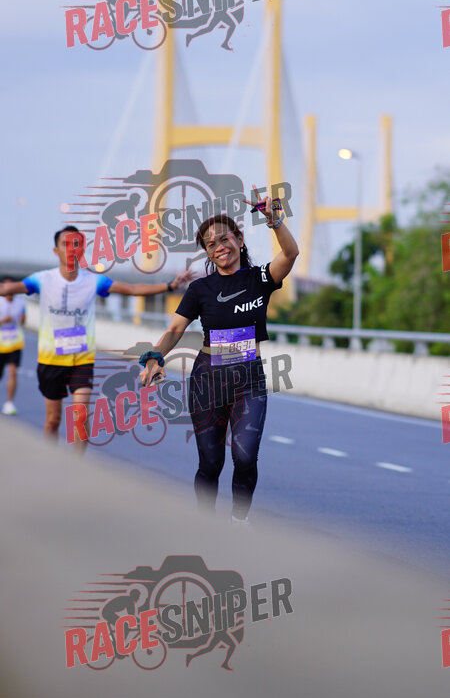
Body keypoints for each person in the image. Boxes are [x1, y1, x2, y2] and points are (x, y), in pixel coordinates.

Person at [139, 189, 299, 525]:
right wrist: (156, 357)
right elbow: (175, 329)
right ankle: (206, 527)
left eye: (224, 239)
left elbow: (290, 253)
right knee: (210, 463)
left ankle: (238, 523)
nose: (219, 247)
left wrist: (275, 222)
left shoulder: (260, 278)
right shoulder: (200, 289)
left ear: (239, 239)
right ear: (207, 253)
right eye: (210, 244)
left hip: (248, 380)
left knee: (245, 457)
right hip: (207, 381)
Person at [0, 226, 192, 452]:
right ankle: (50, 462)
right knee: (53, 420)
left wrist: (170, 285)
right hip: (50, 360)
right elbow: (10, 288)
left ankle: (75, 466)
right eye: (65, 244)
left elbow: (131, 288)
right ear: (55, 250)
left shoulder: (93, 281)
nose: (71, 249)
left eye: (76, 244)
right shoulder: (43, 279)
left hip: (81, 359)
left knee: (80, 417)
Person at [0, 278, 26, 415]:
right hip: (1, 344)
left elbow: (23, 321)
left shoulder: (21, 302)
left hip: (15, 342)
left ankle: (9, 403)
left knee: (13, 372)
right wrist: (4, 320)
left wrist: (22, 319)